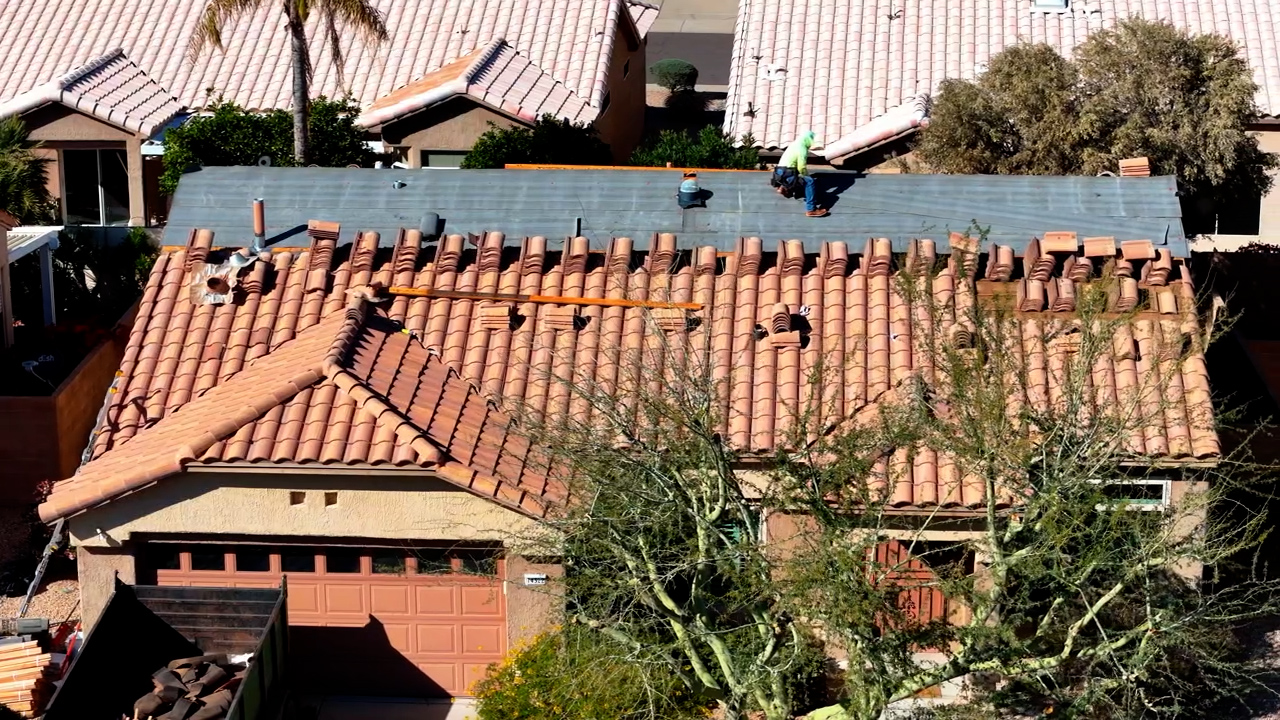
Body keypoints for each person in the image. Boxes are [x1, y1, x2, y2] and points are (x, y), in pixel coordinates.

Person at [774, 130, 828, 217]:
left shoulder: (793, 144)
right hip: (788, 173)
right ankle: (811, 210)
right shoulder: (802, 148)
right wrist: (807, 175)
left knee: (796, 176)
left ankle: (783, 187)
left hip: (778, 173)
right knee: (810, 181)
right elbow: (801, 167)